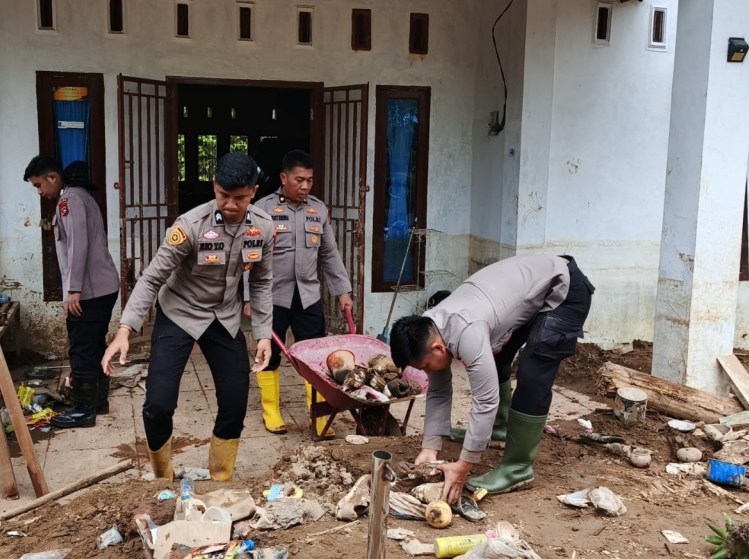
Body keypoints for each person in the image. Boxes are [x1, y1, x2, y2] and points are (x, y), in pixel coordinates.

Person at [101, 152, 274, 482]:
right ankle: (163, 477)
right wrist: (125, 329)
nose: (230, 204)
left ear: (253, 192)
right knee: (159, 404)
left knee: (236, 402)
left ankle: (220, 480)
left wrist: (263, 333)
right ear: (214, 187)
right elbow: (152, 277)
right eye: (223, 195)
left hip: (224, 317)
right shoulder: (191, 226)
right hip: (179, 313)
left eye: (239, 198)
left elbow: (263, 281)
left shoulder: (263, 228)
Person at [389, 254, 594, 503]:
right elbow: (439, 390)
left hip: (564, 287)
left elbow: (486, 400)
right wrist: (430, 447)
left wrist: (464, 465)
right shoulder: (432, 325)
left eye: (424, 367)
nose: (426, 373)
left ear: (437, 348)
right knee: (494, 360)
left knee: (534, 369)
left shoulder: (466, 332)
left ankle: (518, 468)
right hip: (529, 290)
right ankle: (499, 429)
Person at [245, 150, 352, 437]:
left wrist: (342, 291)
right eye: (299, 179)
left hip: (308, 297)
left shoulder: (318, 210)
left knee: (315, 357)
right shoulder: (263, 208)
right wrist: (247, 298)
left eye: (310, 180)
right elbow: (249, 256)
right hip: (272, 297)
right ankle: (271, 411)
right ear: (284, 178)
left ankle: (317, 413)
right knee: (269, 354)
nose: (305, 186)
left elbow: (329, 254)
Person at [24, 156, 119, 429]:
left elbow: (78, 246)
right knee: (94, 345)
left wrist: (73, 290)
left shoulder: (70, 201)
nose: (40, 191)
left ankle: (83, 411)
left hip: (89, 290)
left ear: (53, 178)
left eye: (39, 184)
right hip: (101, 287)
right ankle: (97, 401)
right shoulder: (83, 198)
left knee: (82, 349)